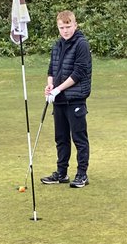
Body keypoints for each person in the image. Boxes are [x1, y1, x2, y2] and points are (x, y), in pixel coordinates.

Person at [40, 11, 93, 188]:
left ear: (75, 25)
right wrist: (50, 86)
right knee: (61, 138)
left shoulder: (81, 45)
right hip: (59, 99)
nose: (65, 31)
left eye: (68, 26)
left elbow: (78, 73)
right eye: (62, 27)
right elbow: (52, 70)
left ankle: (82, 175)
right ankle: (61, 173)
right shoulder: (57, 45)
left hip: (75, 99)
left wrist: (57, 89)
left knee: (79, 138)